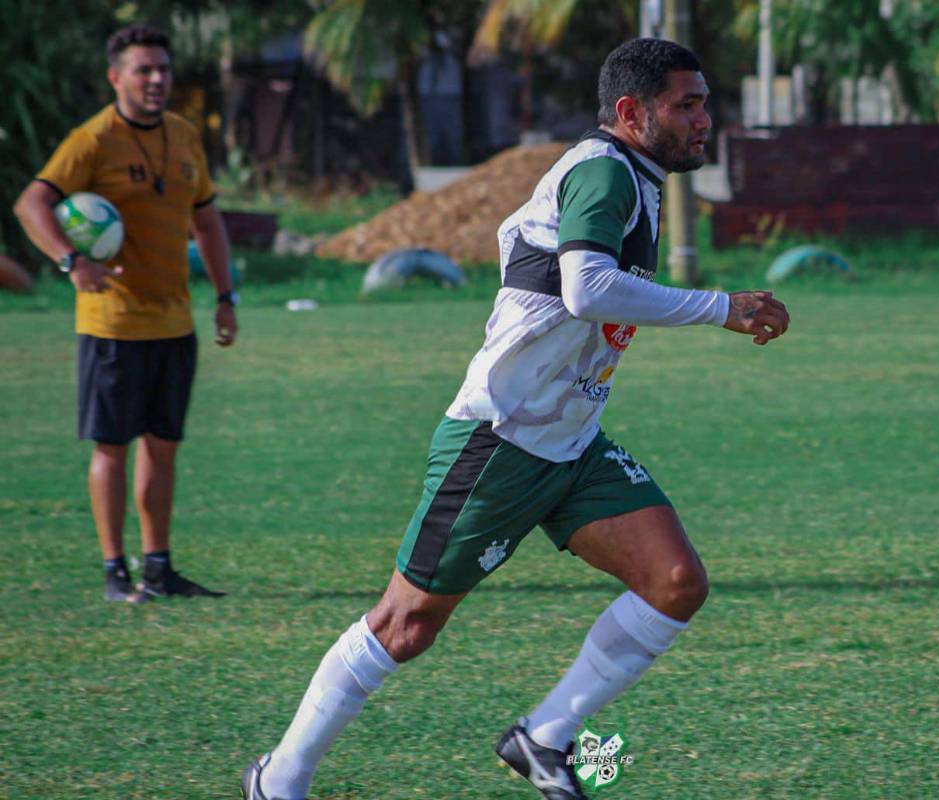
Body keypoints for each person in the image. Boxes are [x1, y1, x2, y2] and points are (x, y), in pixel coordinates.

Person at [240, 38, 788, 800]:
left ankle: (543, 738)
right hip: (502, 437)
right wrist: (718, 308)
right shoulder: (604, 171)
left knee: (673, 581)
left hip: (569, 441)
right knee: (405, 624)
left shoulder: (635, 176)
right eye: (685, 105)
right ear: (631, 113)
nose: (704, 120)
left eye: (704, 102)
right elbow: (586, 289)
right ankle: (279, 778)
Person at [13, 24, 238, 603]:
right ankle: (116, 572)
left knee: (163, 445)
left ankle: (158, 570)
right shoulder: (92, 140)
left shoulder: (185, 136)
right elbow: (31, 202)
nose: (158, 79)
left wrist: (225, 295)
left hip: (176, 322)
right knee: (112, 446)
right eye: (144, 70)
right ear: (117, 77)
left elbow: (207, 219)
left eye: (163, 68)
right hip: (112, 324)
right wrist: (71, 262)